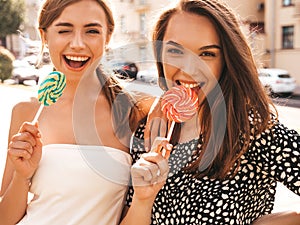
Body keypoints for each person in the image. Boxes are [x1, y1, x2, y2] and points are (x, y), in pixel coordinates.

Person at [120, 0, 300, 224]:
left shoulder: (253, 131)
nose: (189, 67)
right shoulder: (148, 131)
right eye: (175, 51)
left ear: (227, 60)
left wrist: (289, 219)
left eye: (207, 54)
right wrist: (143, 200)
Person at [0, 0, 153, 224]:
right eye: (64, 30)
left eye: (92, 31)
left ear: (107, 37)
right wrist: (22, 177)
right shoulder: (26, 111)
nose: (78, 44)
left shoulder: (133, 111)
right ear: (44, 36)